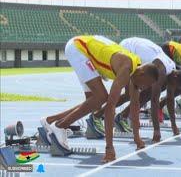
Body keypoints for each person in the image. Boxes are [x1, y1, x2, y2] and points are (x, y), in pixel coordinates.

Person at [40, 35, 159, 163]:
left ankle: (50, 120)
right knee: (101, 97)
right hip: (78, 49)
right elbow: (110, 108)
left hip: (86, 52)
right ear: (142, 74)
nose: (145, 88)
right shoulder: (126, 69)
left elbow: (135, 106)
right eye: (146, 84)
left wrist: (137, 138)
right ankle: (59, 126)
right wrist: (109, 148)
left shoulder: (136, 72)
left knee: (94, 103)